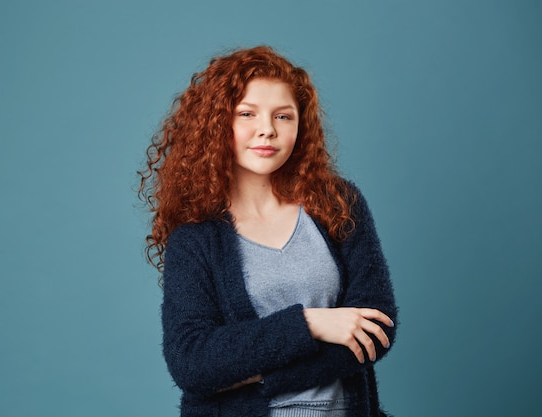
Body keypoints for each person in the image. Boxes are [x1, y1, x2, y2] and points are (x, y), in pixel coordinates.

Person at [138, 46, 398, 417]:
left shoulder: (338, 203)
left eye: (283, 116)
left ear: (300, 125)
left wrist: (255, 374)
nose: (268, 129)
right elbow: (193, 363)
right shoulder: (195, 238)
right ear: (217, 124)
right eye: (247, 114)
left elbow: (374, 329)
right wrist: (311, 324)